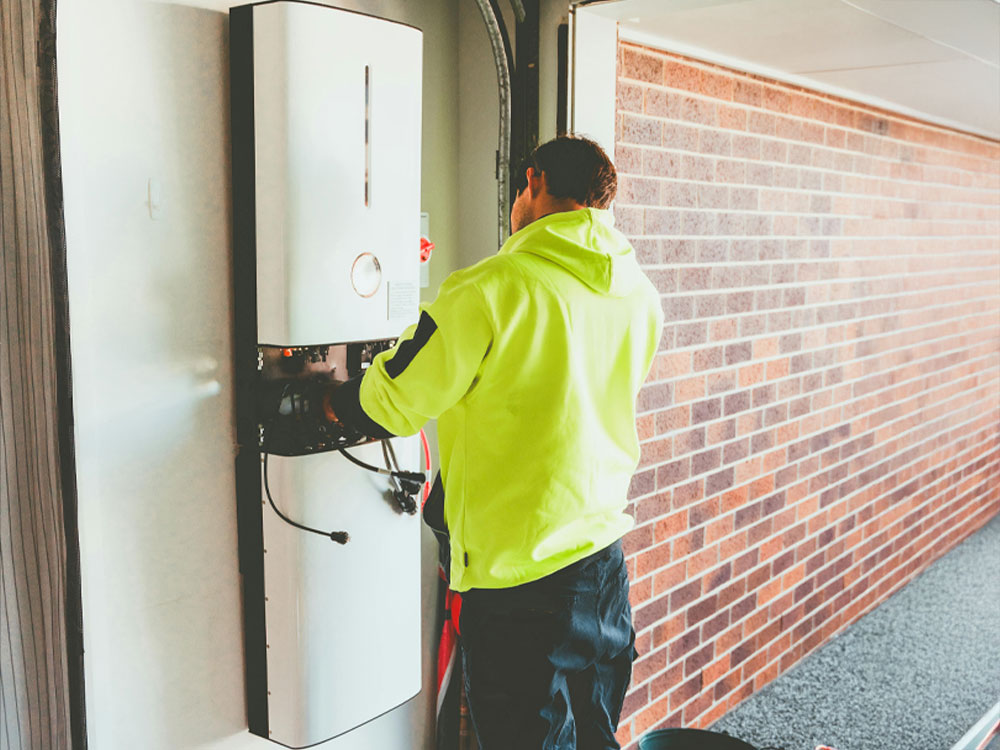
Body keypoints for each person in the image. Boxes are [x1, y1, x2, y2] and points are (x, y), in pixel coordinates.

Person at [324, 135, 664, 750]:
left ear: (533, 181)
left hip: (519, 581)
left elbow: (393, 401)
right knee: (595, 739)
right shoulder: (638, 294)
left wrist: (332, 400)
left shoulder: (489, 289)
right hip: (603, 569)